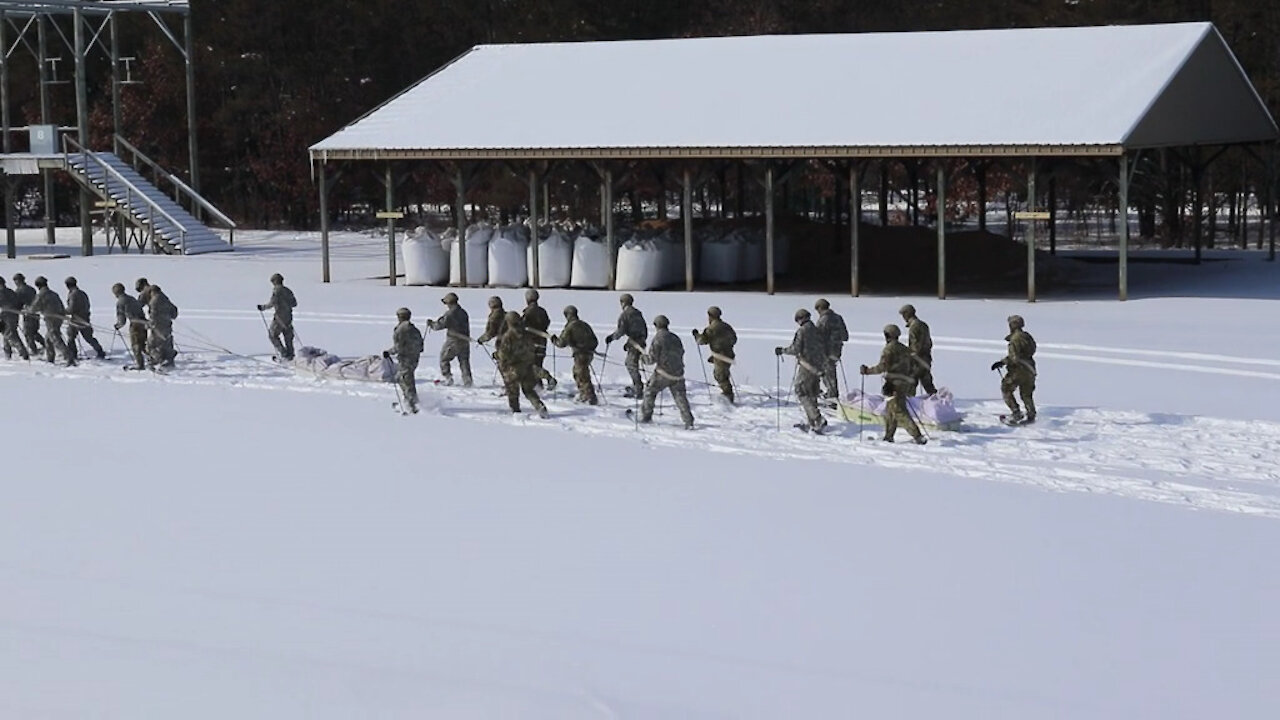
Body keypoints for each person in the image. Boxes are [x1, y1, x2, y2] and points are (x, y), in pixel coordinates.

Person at [859, 324, 926, 444]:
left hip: (894, 384)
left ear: (887, 335)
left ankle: (918, 436)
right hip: (905, 383)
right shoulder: (905, 349)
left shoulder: (889, 349)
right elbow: (914, 365)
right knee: (890, 410)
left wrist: (867, 371)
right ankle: (888, 436)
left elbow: (882, 367)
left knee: (899, 411)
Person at [775, 308, 828, 433]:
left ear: (800, 319)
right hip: (819, 366)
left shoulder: (802, 331)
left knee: (801, 391)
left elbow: (796, 349)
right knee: (812, 392)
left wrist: (782, 350)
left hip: (807, 366)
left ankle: (817, 418)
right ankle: (813, 423)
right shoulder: (816, 330)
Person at [639, 315, 694, 429]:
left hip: (663, 373)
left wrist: (643, 358)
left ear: (656, 325)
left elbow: (651, 359)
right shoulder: (675, 337)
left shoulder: (658, 338)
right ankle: (688, 420)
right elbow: (681, 352)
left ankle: (646, 416)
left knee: (650, 391)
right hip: (678, 373)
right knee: (680, 397)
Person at [496, 310, 548, 417]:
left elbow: (503, 354)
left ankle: (516, 412)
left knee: (513, 392)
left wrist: (497, 355)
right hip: (527, 366)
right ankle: (539, 406)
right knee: (528, 390)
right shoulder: (526, 332)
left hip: (513, 368)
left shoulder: (508, 336)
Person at [992, 314, 1037, 424]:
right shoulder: (1027, 336)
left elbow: (1014, 358)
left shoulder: (1015, 339)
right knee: (1026, 393)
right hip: (1030, 368)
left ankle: (1016, 413)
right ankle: (1031, 415)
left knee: (1006, 388)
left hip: (1018, 370)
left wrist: (1003, 362)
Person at [551, 304, 599, 405]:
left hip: (580, 354)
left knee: (581, 375)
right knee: (579, 372)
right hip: (589, 354)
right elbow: (595, 341)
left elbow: (561, 343)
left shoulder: (570, 327)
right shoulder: (585, 325)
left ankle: (589, 397)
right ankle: (584, 394)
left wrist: (554, 340)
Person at [604, 293, 647, 398]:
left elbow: (621, 331)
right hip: (640, 341)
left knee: (631, 365)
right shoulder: (638, 313)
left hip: (635, 343)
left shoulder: (625, 315)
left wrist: (611, 337)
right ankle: (637, 385)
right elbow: (643, 328)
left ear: (623, 303)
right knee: (633, 363)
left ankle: (638, 388)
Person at [692, 305, 737, 404]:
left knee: (720, 376)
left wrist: (696, 335)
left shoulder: (711, 328)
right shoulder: (727, 326)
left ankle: (728, 396)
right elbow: (734, 339)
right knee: (723, 374)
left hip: (720, 356)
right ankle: (727, 393)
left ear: (710, 316)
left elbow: (702, 341)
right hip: (729, 354)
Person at [426, 292, 472, 386]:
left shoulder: (450, 314)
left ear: (449, 303)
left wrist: (431, 324)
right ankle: (468, 381)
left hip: (453, 341)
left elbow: (439, 325)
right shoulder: (463, 312)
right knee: (464, 361)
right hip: (465, 340)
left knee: (444, 358)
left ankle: (448, 378)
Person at [386, 307, 424, 414]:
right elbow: (421, 346)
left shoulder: (401, 330)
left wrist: (389, 352)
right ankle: (408, 401)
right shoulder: (414, 329)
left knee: (406, 381)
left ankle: (412, 405)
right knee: (402, 378)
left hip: (406, 359)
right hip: (414, 358)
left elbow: (399, 346)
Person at [29, 276, 71, 365]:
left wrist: (27, 309)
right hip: (59, 318)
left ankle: (69, 358)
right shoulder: (54, 293)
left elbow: (34, 308)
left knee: (55, 338)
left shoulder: (41, 295)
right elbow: (61, 305)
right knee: (48, 339)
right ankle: (50, 359)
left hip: (51, 319)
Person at [64, 276, 107, 362]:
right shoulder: (82, 293)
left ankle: (72, 354)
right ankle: (100, 351)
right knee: (88, 337)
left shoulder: (73, 294)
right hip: (85, 317)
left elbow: (71, 308)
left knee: (71, 337)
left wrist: (63, 312)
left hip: (76, 319)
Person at [521, 288, 556, 390]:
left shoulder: (527, 312)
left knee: (530, 365)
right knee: (538, 363)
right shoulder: (542, 311)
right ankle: (537, 386)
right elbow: (547, 323)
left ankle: (549, 378)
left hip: (531, 342)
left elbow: (523, 326)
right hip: (543, 341)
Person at [257, 272, 297, 361]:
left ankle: (283, 354)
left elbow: (272, 303)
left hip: (279, 317)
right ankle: (291, 355)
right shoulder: (288, 290)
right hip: (289, 317)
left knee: (272, 335)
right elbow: (294, 303)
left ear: (275, 281)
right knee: (288, 336)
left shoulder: (276, 291)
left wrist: (262, 307)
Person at [814, 298, 848, 400]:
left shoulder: (823, 320)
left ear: (820, 308)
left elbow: (817, 337)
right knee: (830, 372)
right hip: (837, 350)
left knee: (827, 373)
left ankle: (832, 396)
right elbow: (845, 336)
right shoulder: (838, 318)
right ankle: (831, 393)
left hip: (826, 351)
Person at [899, 304, 937, 396]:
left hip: (917, 361)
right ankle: (937, 401)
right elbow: (929, 342)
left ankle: (910, 404)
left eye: (903, 315)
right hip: (926, 359)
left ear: (907, 314)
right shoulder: (923, 325)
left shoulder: (914, 327)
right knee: (927, 383)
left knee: (910, 383)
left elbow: (915, 347)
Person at [141, 282, 179, 368]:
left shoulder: (154, 301)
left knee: (151, 346)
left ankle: (159, 360)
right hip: (167, 325)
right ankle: (169, 362)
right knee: (166, 344)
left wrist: (149, 325)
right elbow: (174, 311)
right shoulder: (165, 298)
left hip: (158, 328)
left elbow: (153, 316)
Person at [112, 282, 148, 370]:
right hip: (143, 322)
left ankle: (140, 365)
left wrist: (118, 326)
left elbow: (122, 319)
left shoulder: (120, 302)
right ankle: (154, 359)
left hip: (135, 325)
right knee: (143, 344)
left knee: (136, 345)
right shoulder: (132, 298)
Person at [12, 273, 44, 355]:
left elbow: (17, 303)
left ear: (18, 281)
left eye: (15, 281)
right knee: (34, 332)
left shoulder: (19, 291)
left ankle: (34, 351)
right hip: (36, 313)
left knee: (28, 333)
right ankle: (46, 345)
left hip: (28, 313)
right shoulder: (31, 289)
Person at [0, 276, 30, 360]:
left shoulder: (1, 293)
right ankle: (7, 353)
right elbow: (18, 303)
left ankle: (23, 353)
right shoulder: (11, 292)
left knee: (10, 334)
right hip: (13, 316)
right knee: (7, 334)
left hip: (7, 316)